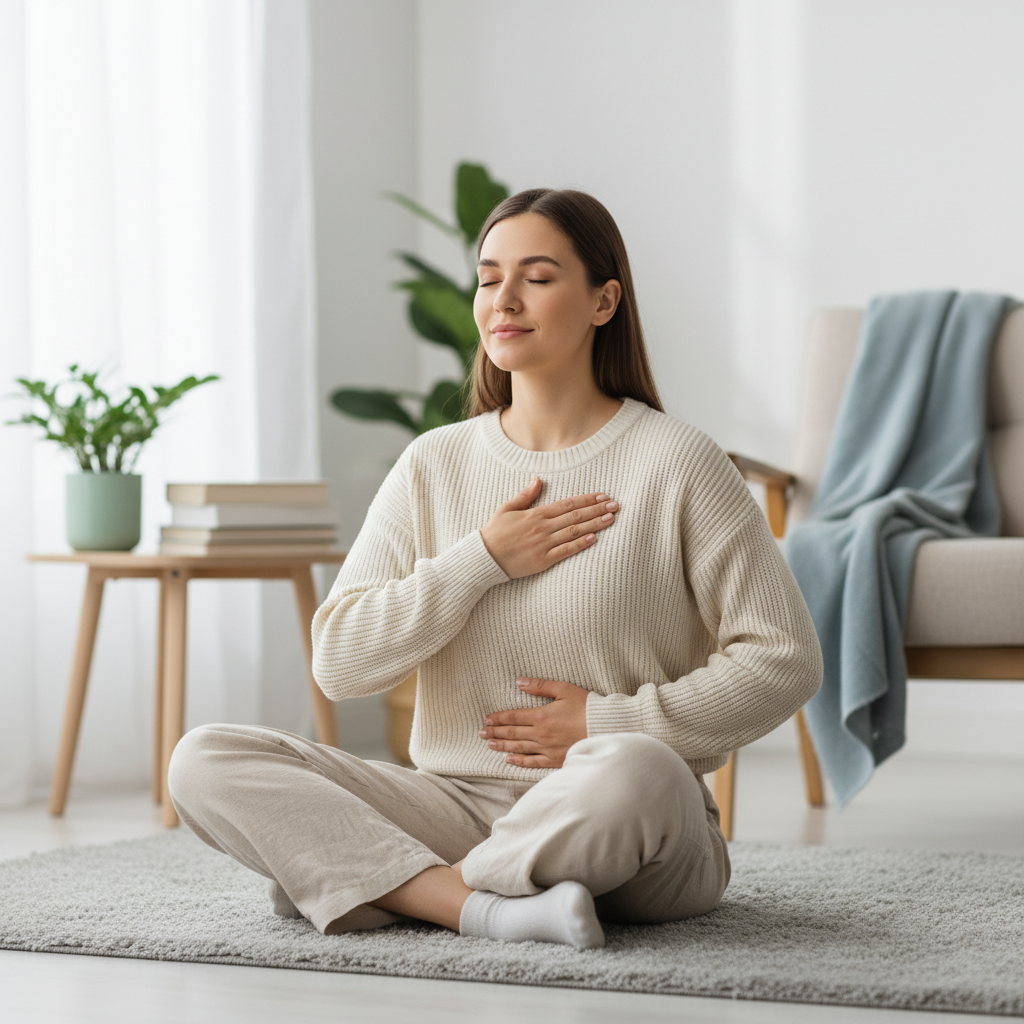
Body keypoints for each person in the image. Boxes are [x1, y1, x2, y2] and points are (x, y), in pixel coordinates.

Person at [168, 188, 822, 950]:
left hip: (627, 818)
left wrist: (603, 723)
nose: (503, 299)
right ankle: (479, 904)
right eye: (487, 278)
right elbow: (340, 662)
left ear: (604, 301)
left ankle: (380, 881)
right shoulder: (434, 464)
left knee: (639, 769)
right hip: (453, 805)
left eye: (537, 278)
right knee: (204, 759)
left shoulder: (680, 462)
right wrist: (479, 560)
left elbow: (785, 659)